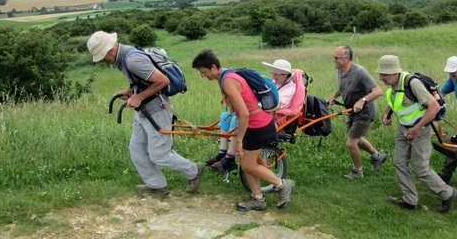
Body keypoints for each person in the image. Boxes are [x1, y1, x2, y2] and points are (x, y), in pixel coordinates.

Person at [86, 31, 204, 195]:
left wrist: (139, 97)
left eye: (102, 57)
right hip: (143, 111)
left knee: (159, 154)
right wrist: (129, 91)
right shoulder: (123, 57)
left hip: (157, 110)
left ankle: (194, 171)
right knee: (137, 148)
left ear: (109, 50)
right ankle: (156, 185)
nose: (104, 61)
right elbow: (141, 80)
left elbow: (163, 81)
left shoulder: (132, 59)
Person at [192, 49, 295, 211]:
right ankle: (258, 198)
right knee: (247, 163)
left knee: (248, 165)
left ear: (213, 67)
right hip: (257, 123)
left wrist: (238, 140)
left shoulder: (227, 80)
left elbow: (245, 114)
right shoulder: (226, 74)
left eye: (204, 72)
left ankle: (282, 184)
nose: (204, 76)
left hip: (257, 125)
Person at [377, 55, 457, 214]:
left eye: (384, 75)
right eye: (380, 74)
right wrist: (387, 113)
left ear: (394, 73)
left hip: (420, 130)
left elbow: (433, 107)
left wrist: (417, 128)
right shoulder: (394, 83)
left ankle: (447, 193)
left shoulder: (412, 83)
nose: (381, 78)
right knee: (399, 162)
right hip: (403, 128)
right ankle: (409, 199)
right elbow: (397, 100)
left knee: (421, 168)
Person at [207, 59, 302, 173]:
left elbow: (277, 105)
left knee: (236, 120)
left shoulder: (289, 89)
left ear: (286, 74)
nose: (274, 76)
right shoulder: (274, 83)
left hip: (274, 118)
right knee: (225, 116)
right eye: (273, 73)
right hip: (265, 112)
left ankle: (230, 157)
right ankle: (222, 152)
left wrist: (255, 106)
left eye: (277, 74)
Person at [327, 45, 387, 179]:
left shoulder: (360, 72)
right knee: (357, 139)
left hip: (364, 111)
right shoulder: (341, 70)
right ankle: (378, 156)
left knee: (351, 143)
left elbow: (378, 91)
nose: (333, 60)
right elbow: (344, 87)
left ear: (346, 59)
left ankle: (358, 172)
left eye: (337, 58)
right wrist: (334, 95)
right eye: (333, 57)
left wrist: (363, 100)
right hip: (351, 110)